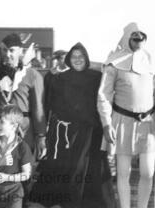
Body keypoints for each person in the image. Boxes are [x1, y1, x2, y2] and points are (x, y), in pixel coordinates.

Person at [29, 42, 112, 208]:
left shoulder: (96, 77)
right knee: (61, 168)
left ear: (87, 58)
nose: (77, 60)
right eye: (73, 57)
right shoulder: (58, 78)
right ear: (68, 60)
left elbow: (109, 70)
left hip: (88, 133)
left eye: (81, 56)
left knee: (84, 169)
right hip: (63, 132)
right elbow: (47, 103)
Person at [98, 23, 155, 208]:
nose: (138, 42)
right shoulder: (114, 62)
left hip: (147, 122)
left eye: (141, 38)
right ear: (127, 38)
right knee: (123, 172)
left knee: (148, 171)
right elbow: (103, 95)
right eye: (134, 38)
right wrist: (107, 124)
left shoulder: (150, 60)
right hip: (122, 122)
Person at [0, 33, 46, 159]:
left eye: (11, 50)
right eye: (4, 50)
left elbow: (38, 108)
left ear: (20, 51)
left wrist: (40, 136)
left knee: (21, 165)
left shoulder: (33, 75)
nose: (7, 54)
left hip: (23, 128)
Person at [0, 104, 33, 208]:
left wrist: (7, 177)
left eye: (1, 122)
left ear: (14, 126)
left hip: (14, 193)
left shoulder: (22, 147)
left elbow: (26, 174)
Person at [44, 50, 69, 120]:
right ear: (58, 60)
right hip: (54, 111)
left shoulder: (73, 74)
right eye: (63, 58)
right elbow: (46, 93)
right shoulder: (50, 75)